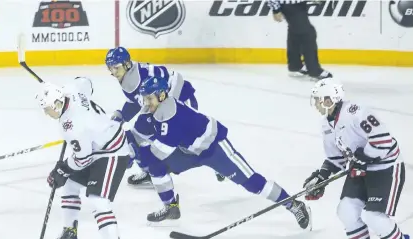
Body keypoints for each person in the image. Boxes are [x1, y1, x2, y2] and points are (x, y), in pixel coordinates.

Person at [132, 76, 312, 229]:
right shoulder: (157, 108)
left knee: (252, 183)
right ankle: (171, 206)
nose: (147, 104)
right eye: (145, 99)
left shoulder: (172, 118)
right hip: (189, 151)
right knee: (156, 166)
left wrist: (136, 154)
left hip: (214, 148)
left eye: (150, 99)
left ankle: (293, 204)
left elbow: (159, 151)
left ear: (162, 95)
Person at [303, 78, 411, 239]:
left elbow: (383, 140)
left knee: (373, 216)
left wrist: (364, 157)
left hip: (386, 167)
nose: (316, 104)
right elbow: (336, 158)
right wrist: (322, 176)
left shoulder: (355, 112)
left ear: (330, 99)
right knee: (346, 210)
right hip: (363, 169)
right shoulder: (327, 124)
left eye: (319, 100)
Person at [36, 77, 131, 239]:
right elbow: (86, 82)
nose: (46, 113)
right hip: (95, 145)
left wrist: (62, 169)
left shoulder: (72, 126)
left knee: (98, 199)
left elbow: (82, 159)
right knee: (70, 185)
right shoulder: (70, 89)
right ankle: (69, 237)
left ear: (57, 102)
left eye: (47, 108)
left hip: (111, 151)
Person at [267, 0, 333, 80]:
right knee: (308, 34)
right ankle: (314, 70)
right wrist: (276, 9)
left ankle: (295, 66)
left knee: (295, 33)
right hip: (290, 5)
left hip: (298, 4)